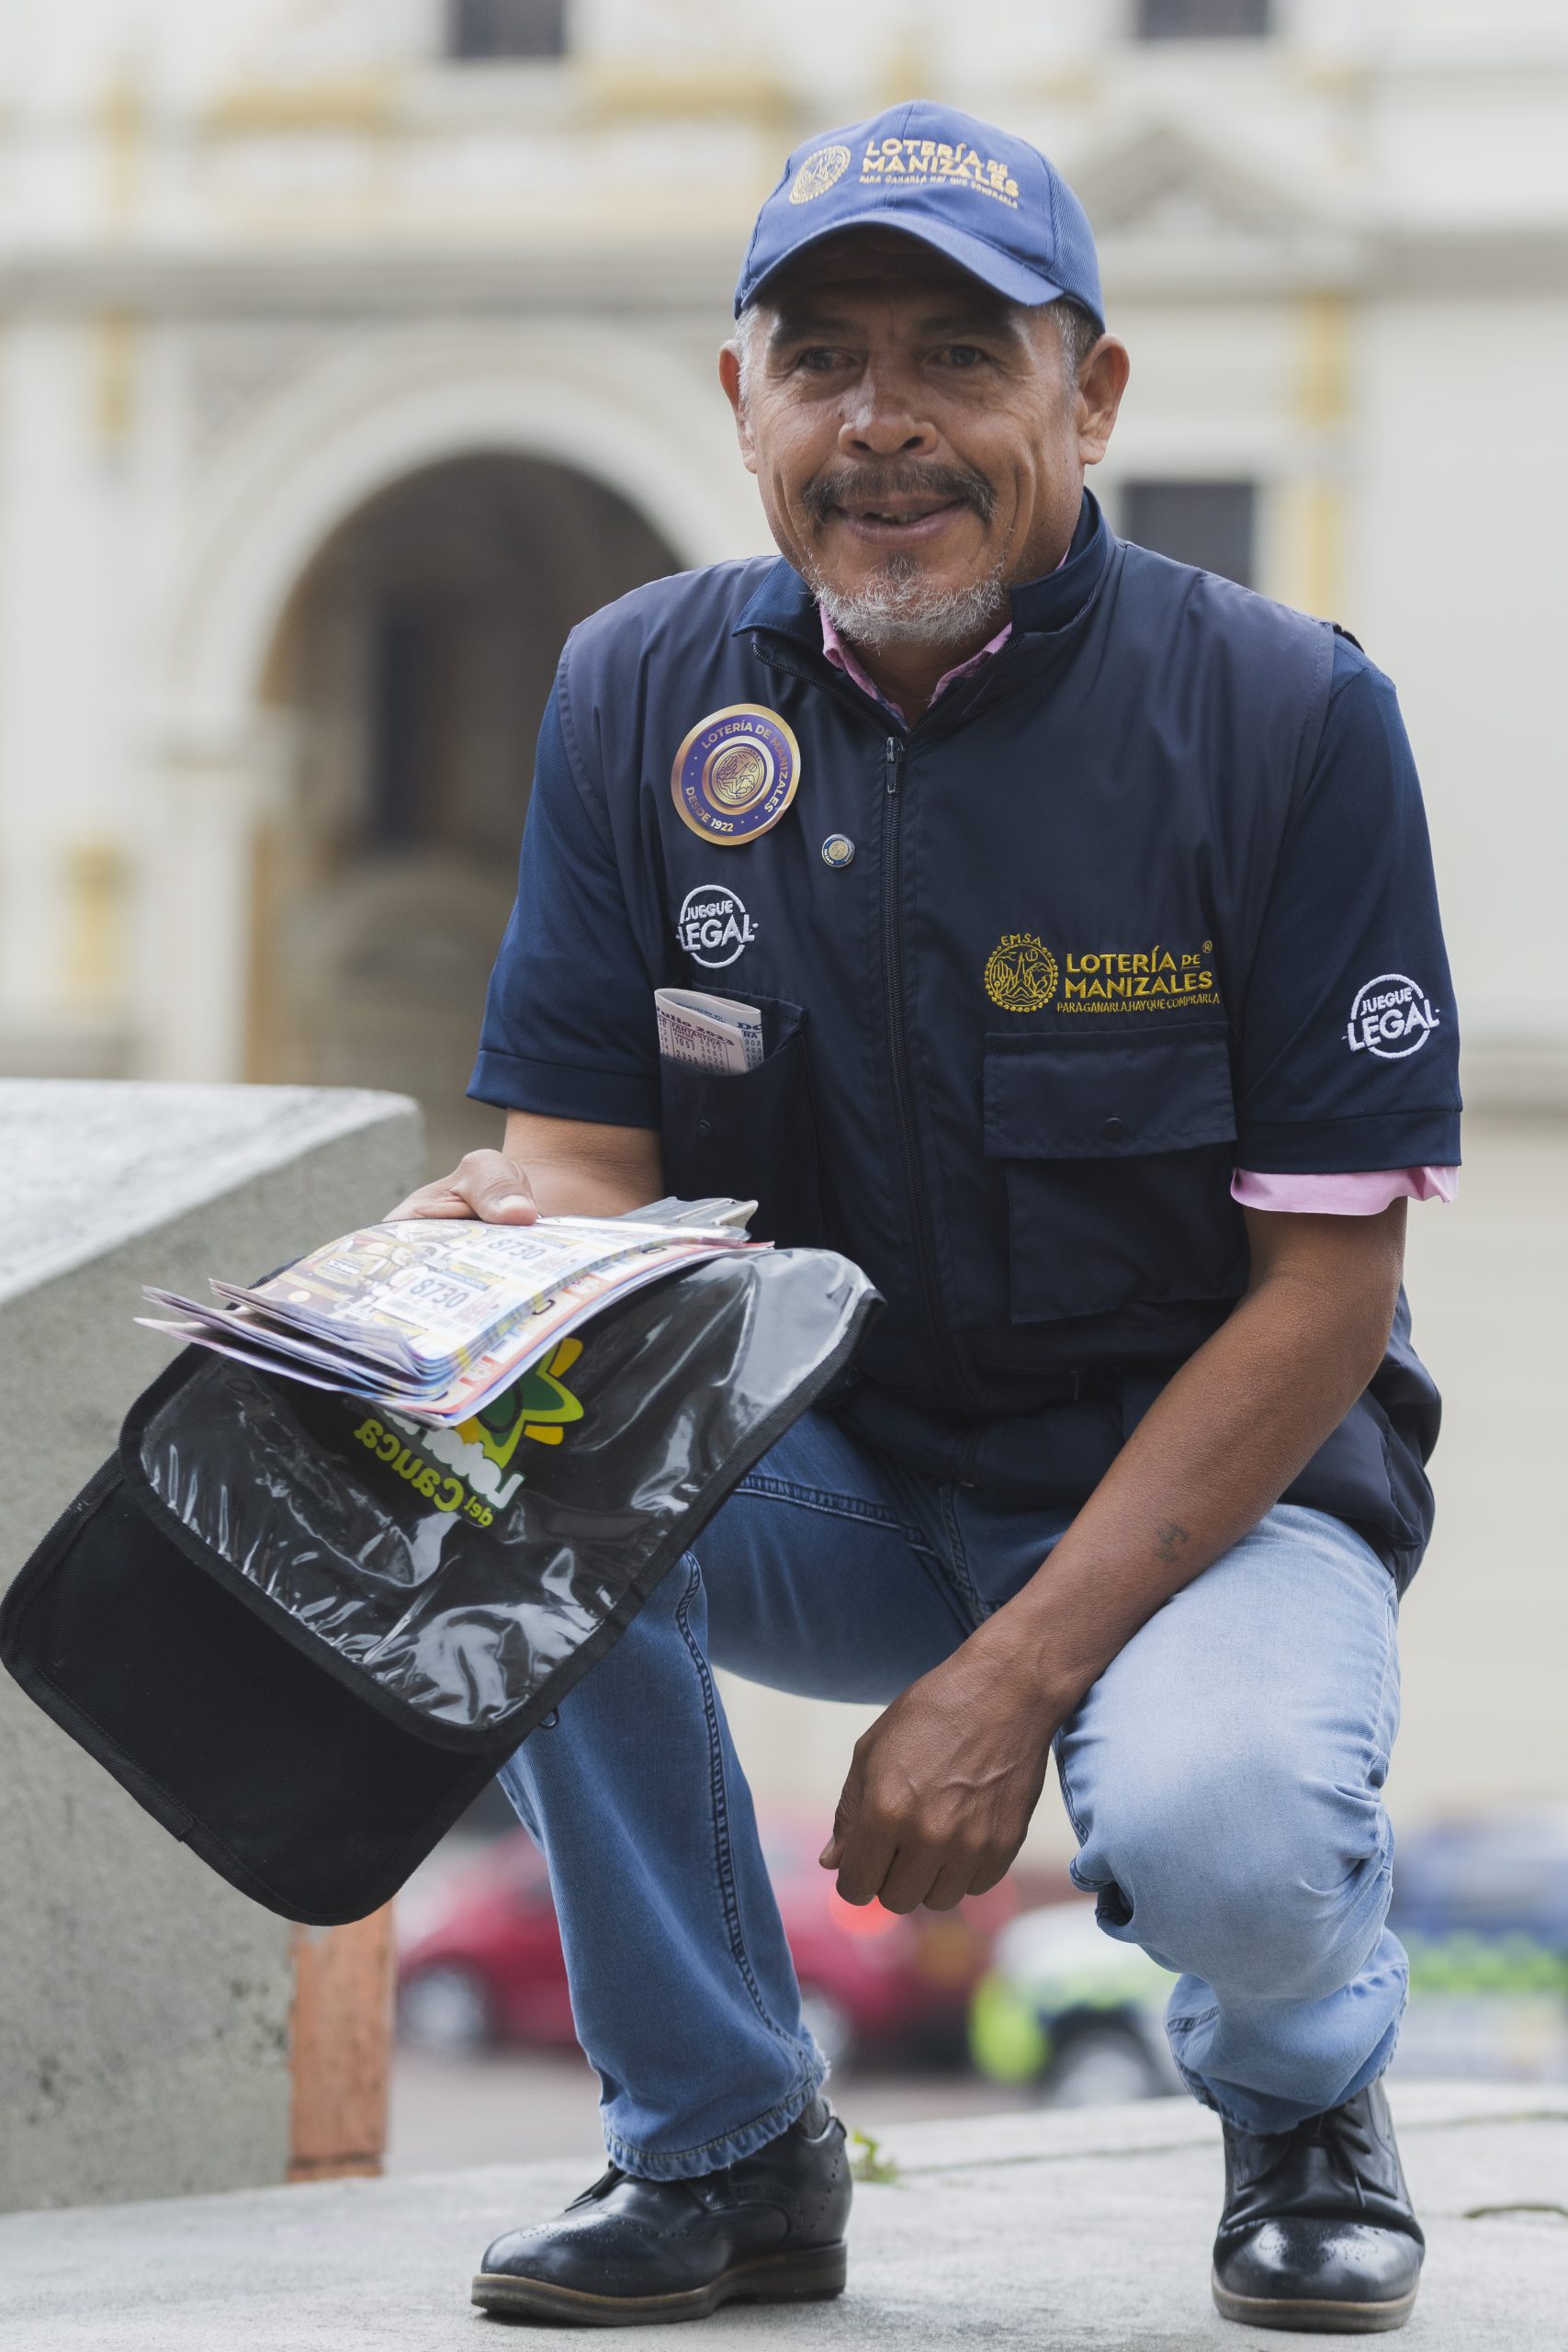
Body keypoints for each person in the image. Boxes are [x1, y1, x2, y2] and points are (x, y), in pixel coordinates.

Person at [390, 102, 1461, 2334]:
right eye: (823, 357)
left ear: (1091, 392)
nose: (880, 422)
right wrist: (510, 1245)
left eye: (959, 356)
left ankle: (1301, 2106)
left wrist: (1009, 1677)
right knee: (511, 1456)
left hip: (1214, 1492)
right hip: (853, 1472)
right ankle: (722, 2146)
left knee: (1232, 1834)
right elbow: (584, 1156)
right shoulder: (631, 690)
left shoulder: (1284, 713)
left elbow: (1325, 1290)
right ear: (741, 402)